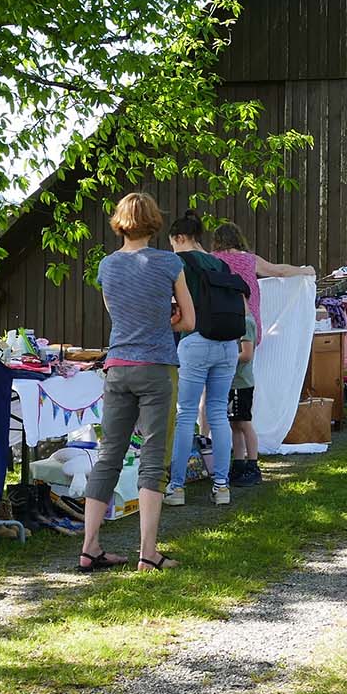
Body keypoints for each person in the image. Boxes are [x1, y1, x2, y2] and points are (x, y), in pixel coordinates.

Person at [78, 192, 193, 573]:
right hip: (156, 366)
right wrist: (167, 320)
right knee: (153, 460)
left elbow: (119, 315)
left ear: (120, 223)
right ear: (154, 222)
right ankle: (148, 553)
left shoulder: (107, 266)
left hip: (117, 367)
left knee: (108, 456)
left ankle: (89, 547)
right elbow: (189, 321)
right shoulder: (170, 262)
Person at [165, 211, 239, 507]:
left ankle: (176, 487)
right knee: (218, 413)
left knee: (186, 414)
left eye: (172, 243)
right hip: (228, 344)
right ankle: (222, 486)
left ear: (180, 238)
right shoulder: (220, 263)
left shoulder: (179, 263)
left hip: (194, 341)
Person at [208, 221, 316, 342]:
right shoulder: (249, 260)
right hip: (247, 323)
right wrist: (305, 270)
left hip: (216, 321)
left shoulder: (209, 259)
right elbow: (280, 271)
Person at [227, 312, 261, 486]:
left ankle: (253, 466)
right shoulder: (237, 320)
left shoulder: (245, 322)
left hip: (241, 383)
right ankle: (239, 464)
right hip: (233, 382)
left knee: (244, 423)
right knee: (235, 424)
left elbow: (247, 354)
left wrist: (225, 359)